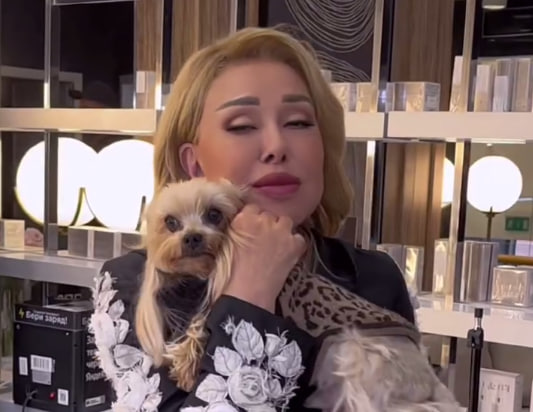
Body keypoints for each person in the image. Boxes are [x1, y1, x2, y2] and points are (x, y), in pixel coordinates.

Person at [96, 27, 415, 411]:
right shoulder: (137, 285)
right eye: (242, 126)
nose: (277, 147)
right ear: (193, 163)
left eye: (298, 122)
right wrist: (250, 295)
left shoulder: (374, 277)